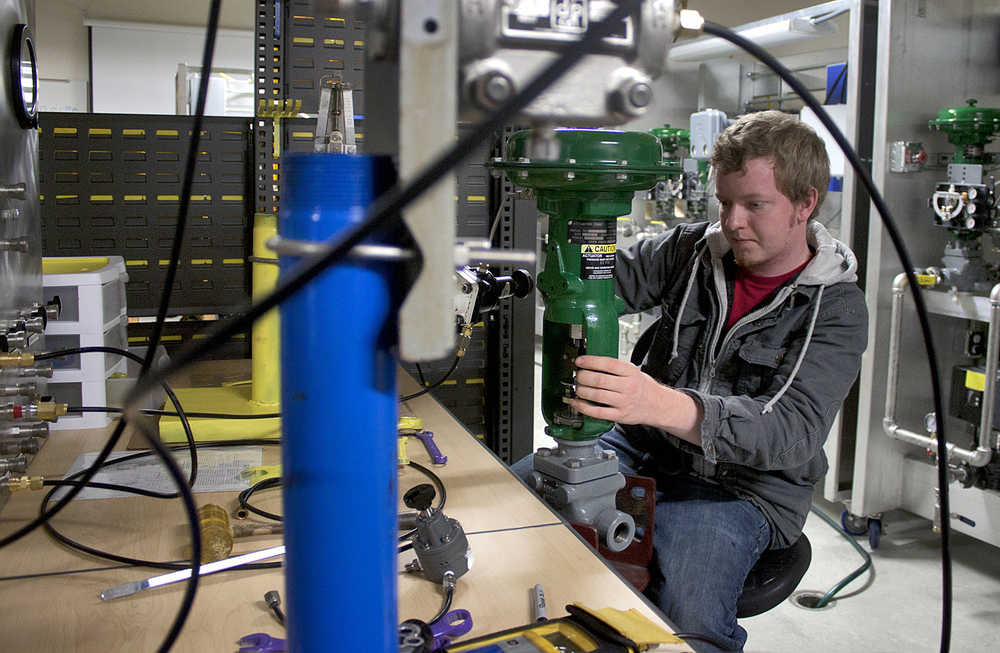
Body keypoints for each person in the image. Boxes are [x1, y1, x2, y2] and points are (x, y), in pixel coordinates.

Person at [528, 111, 868, 652]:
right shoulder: (690, 250)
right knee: (518, 504)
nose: (733, 223)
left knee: (684, 614)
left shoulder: (836, 309)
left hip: (743, 491)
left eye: (754, 205)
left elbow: (791, 431)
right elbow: (598, 286)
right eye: (725, 202)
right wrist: (575, 237)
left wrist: (655, 402)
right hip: (641, 451)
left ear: (805, 203)